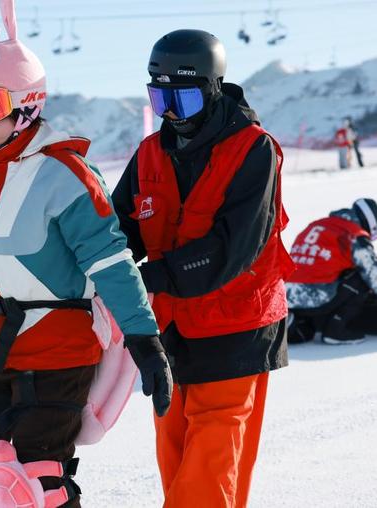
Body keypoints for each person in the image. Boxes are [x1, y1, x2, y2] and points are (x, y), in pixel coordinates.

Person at [0, 2, 170, 506]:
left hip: (56, 355)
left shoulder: (65, 176)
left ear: (27, 102)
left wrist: (143, 338)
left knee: (29, 486)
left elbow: (111, 263)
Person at [112, 30, 294, 507]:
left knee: (208, 470)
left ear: (214, 88)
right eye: (159, 97)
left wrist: (151, 277)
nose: (171, 111)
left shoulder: (253, 150)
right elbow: (118, 232)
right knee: (177, 461)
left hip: (237, 327)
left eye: (184, 97)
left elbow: (232, 249)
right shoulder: (151, 152)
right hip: (171, 328)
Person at [286, 198, 377, 344]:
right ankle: (336, 330)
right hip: (317, 296)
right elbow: (373, 274)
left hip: (286, 296)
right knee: (360, 277)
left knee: (306, 331)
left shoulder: (318, 225)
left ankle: (290, 324)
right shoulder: (354, 234)